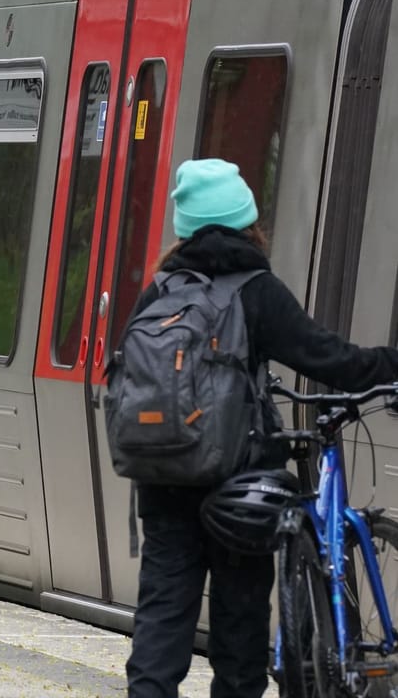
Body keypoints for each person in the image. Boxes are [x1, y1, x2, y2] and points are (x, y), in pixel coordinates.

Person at [124, 158, 398, 697]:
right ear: (248, 222)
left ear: (185, 226)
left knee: (161, 623)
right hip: (238, 488)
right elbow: (331, 360)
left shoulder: (159, 291)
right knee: (239, 632)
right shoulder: (256, 290)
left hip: (163, 479)